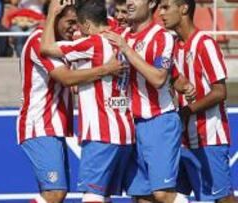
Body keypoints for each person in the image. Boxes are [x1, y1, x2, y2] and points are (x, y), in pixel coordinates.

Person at [17, 1, 127, 202]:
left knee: (66, 192)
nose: (74, 27)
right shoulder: (39, 41)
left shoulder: (68, 43)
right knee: (55, 193)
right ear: (54, 18)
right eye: (69, 22)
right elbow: (66, 78)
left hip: (56, 126)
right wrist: (105, 70)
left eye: (77, 22)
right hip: (39, 124)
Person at [102, 0, 194, 202]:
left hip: (158, 121)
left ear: (152, 3)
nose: (130, 3)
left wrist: (126, 49)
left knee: (163, 193)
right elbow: (174, 77)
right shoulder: (122, 36)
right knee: (142, 196)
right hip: (129, 126)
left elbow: (159, 79)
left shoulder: (162, 37)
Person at [159, 0, 237, 202]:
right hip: (180, 140)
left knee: (222, 198)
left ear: (183, 8)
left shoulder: (205, 43)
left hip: (208, 138)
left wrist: (187, 111)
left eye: (166, 7)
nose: (161, 13)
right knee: (167, 195)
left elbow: (220, 92)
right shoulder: (172, 46)